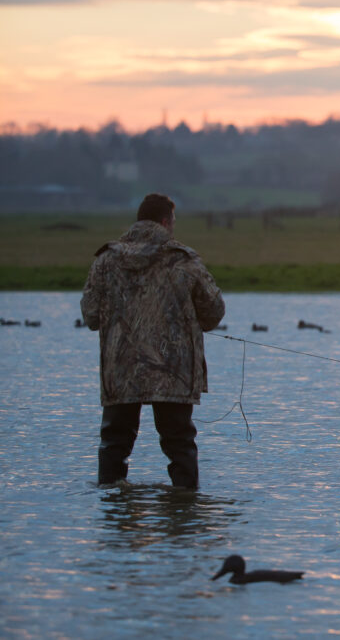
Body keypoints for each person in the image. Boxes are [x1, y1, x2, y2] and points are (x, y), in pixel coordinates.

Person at [81, 193, 225, 488]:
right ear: (164, 222)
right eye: (173, 222)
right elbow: (214, 313)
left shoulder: (106, 261)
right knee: (179, 443)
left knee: (114, 443)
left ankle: (114, 514)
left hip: (121, 372)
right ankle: (183, 510)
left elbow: (90, 315)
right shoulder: (184, 261)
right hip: (173, 373)